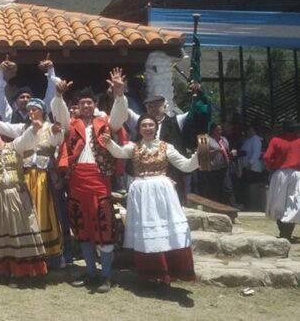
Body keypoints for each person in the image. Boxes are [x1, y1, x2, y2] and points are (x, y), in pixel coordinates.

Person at [51, 68, 129, 293]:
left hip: (99, 179)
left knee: (103, 226)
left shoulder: (105, 122)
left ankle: (106, 275)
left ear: (95, 104)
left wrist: (120, 94)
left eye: (89, 102)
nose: (86, 106)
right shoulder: (71, 124)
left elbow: (120, 117)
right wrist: (58, 96)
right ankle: (91, 272)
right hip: (76, 181)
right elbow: (60, 115)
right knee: (82, 226)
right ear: (78, 105)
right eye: (82, 103)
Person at [102, 115, 200, 287]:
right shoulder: (133, 147)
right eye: (144, 125)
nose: (147, 128)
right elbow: (117, 152)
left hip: (163, 192)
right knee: (146, 232)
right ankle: (149, 274)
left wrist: (200, 155)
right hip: (141, 193)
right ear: (139, 129)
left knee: (165, 228)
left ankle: (168, 272)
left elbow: (185, 165)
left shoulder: (166, 147)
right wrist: (109, 142)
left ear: (156, 128)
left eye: (151, 125)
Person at [0, 117, 59, 286]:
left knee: (22, 230)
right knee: (2, 233)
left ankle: (24, 271)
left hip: (17, 196)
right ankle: (4, 270)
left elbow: (26, 140)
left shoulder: (14, 146)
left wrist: (33, 129)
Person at [0, 97, 67, 268]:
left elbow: (58, 141)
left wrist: (56, 132)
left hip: (46, 177)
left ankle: (54, 257)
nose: (30, 112)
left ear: (42, 111)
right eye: (29, 110)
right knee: (30, 216)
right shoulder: (25, 129)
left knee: (49, 214)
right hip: (28, 177)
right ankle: (33, 255)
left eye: (34, 109)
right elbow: (6, 128)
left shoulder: (51, 127)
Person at [264, 119, 300, 241]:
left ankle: (283, 231)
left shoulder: (276, 140)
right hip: (297, 174)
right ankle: (288, 231)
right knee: (294, 203)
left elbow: (267, 157)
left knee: (278, 203)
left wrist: (273, 166)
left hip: (280, 173)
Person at [201, 123, 238, 207]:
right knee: (213, 191)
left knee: (228, 188)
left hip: (224, 167)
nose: (219, 132)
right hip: (212, 170)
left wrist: (232, 153)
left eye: (220, 130)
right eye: (217, 130)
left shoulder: (224, 139)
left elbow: (227, 152)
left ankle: (232, 209)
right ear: (212, 131)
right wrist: (216, 151)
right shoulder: (205, 139)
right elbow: (202, 157)